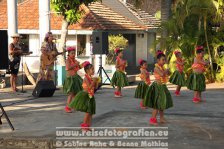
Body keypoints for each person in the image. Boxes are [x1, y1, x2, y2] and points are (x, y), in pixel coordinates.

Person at [144, 50, 173, 125]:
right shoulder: (156, 68)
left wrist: (168, 71)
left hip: (162, 86)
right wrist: (166, 71)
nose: (164, 61)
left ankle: (162, 118)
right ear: (158, 60)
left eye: (165, 60)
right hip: (157, 87)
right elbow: (162, 74)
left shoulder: (162, 67)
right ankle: (152, 119)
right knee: (157, 104)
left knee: (162, 103)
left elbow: (167, 74)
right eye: (163, 60)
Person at [69, 62, 99, 131]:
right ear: (87, 70)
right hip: (85, 95)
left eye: (93, 69)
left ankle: (88, 126)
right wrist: (94, 82)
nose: (94, 70)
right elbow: (89, 87)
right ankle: (84, 125)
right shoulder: (86, 78)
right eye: (92, 69)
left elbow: (95, 87)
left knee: (91, 112)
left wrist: (97, 82)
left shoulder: (91, 78)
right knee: (88, 112)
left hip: (91, 96)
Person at [63, 47, 85, 113]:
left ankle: (74, 106)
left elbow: (77, 68)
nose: (73, 54)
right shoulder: (68, 60)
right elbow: (67, 68)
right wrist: (76, 64)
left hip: (75, 78)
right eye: (72, 53)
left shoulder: (74, 60)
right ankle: (67, 107)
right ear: (68, 54)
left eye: (74, 53)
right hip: (70, 79)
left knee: (75, 94)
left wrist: (83, 65)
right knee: (71, 94)